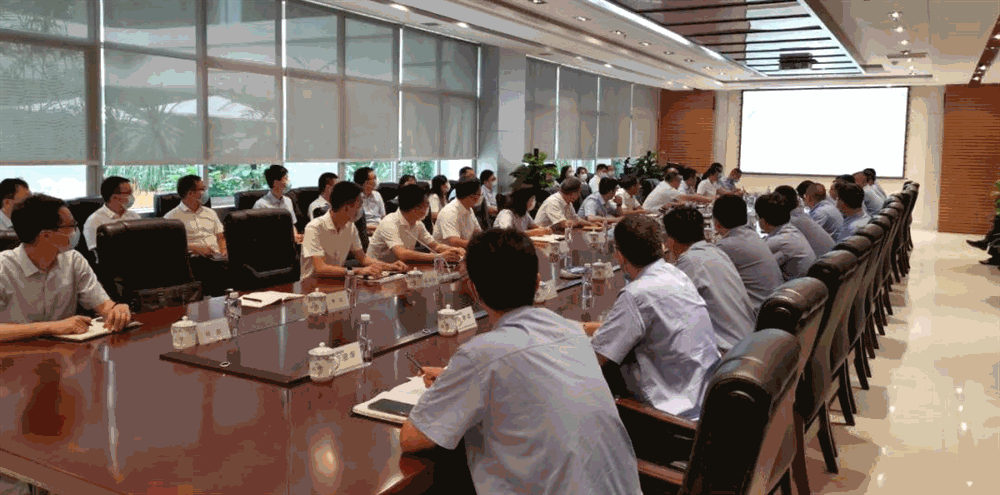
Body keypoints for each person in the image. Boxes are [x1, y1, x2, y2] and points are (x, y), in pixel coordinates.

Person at [401, 229, 642, 494]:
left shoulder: (480, 356)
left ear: (473, 289)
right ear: (538, 283)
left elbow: (412, 438)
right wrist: (455, 379)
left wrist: (448, 387)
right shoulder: (570, 331)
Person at [584, 216, 721, 419]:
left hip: (670, 418)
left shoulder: (636, 295)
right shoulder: (676, 274)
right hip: (704, 399)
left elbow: (596, 359)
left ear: (619, 256)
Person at [1, 194, 132, 342]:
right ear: (46, 235)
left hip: (64, 351)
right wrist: (51, 327)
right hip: (15, 352)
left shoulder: (73, 260)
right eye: (70, 226)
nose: (75, 232)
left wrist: (116, 310)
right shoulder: (3, 268)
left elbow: (103, 305)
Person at [663, 207, 755, 352]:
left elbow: (669, 308)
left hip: (728, 352)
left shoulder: (689, 261)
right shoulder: (716, 251)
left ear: (671, 240)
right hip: (749, 340)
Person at [301, 182, 404, 280]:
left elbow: (363, 259)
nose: (360, 211)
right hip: (312, 285)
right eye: (359, 206)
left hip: (337, 281)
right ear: (346, 208)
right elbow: (320, 268)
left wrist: (391, 266)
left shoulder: (350, 226)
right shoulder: (314, 228)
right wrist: (356, 271)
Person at [713, 195, 784, 315]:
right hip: (774, 306)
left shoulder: (726, 246)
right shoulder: (752, 234)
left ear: (716, 223)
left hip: (758, 314)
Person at [367, 185, 465, 264]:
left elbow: (435, 246)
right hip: (376, 270)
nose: (428, 209)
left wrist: (454, 249)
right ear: (415, 208)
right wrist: (438, 257)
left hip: (399, 268)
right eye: (426, 205)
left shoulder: (418, 223)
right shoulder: (389, 223)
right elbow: (402, 254)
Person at [165, 175, 228, 296]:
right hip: (192, 261)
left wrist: (223, 250)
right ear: (190, 193)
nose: (205, 192)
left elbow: (220, 237)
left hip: (217, 258)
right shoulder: (171, 218)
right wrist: (194, 247)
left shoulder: (210, 213)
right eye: (202, 189)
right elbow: (170, 247)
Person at [755, 192, 816, 281]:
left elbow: (756, 264)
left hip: (794, 287)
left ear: (762, 220)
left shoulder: (779, 241)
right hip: (806, 284)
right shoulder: (791, 230)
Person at [83, 176, 140, 255]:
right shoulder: (94, 221)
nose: (131, 197)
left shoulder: (134, 216)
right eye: (128, 193)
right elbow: (97, 253)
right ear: (113, 197)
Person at [774, 185, 835, 257]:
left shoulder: (792, 221)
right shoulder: (801, 216)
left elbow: (775, 244)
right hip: (831, 256)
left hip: (824, 259)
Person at [254, 164, 303, 243]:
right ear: (275, 182)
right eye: (285, 178)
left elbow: (292, 223)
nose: (288, 182)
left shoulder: (288, 201)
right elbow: (259, 233)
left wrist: (296, 235)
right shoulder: (260, 205)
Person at [433, 178, 483, 248]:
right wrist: (479, 244)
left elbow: (477, 231)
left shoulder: (469, 208)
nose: (480, 197)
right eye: (479, 194)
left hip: (462, 250)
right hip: (445, 253)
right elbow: (454, 241)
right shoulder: (449, 212)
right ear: (472, 196)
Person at [643, 170, 711, 212]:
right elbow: (689, 197)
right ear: (674, 181)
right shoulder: (668, 189)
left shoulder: (663, 184)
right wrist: (709, 199)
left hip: (654, 211)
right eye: (679, 182)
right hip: (649, 214)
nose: (679, 185)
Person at [353, 167, 385, 233]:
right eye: (374, 178)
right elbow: (354, 222)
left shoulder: (377, 195)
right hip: (362, 231)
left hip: (379, 229)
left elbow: (383, 217)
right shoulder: (355, 198)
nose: (376, 181)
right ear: (364, 182)